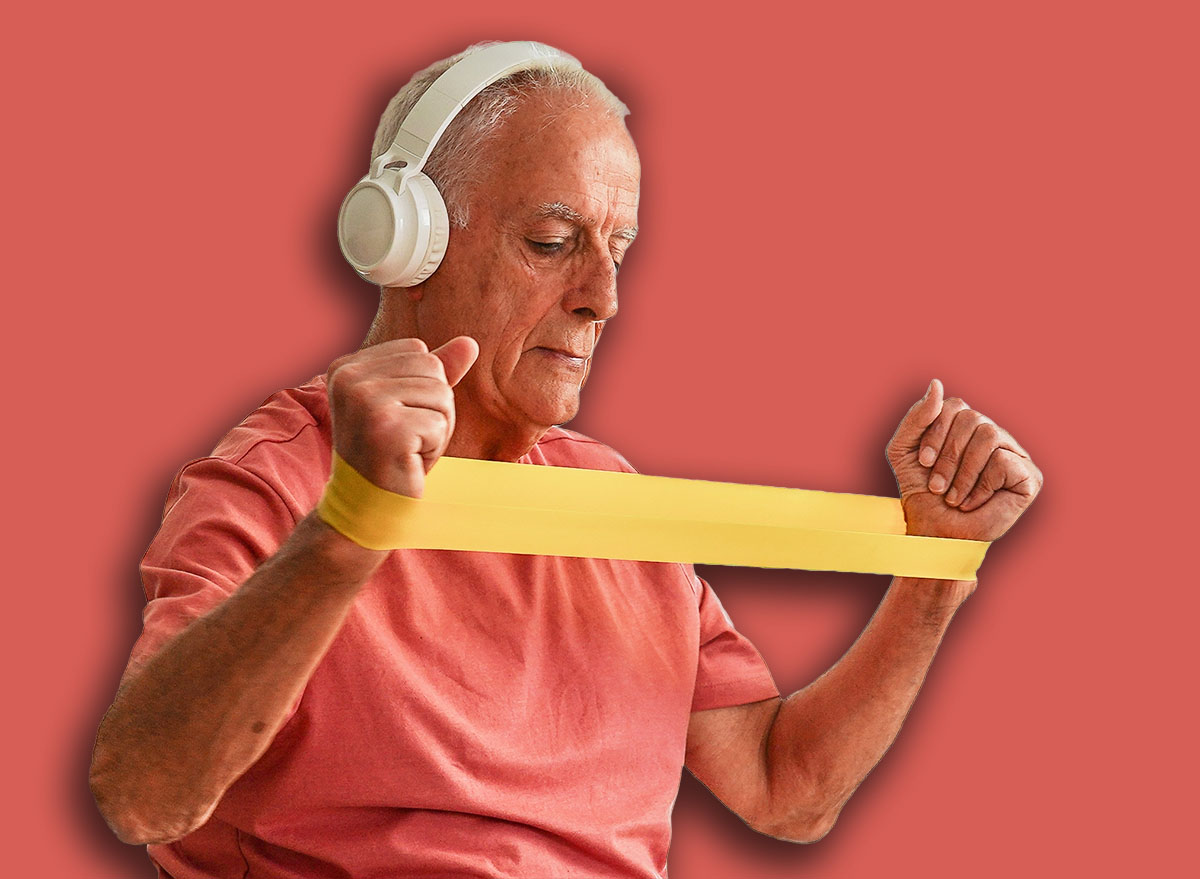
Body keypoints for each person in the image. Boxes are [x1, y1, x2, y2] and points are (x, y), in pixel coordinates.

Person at [90, 41, 1042, 878]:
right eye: (552, 242)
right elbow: (141, 796)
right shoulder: (279, 477)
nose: (604, 298)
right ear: (405, 243)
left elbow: (783, 788)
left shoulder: (612, 505)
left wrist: (935, 575)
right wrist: (351, 528)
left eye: (618, 250)